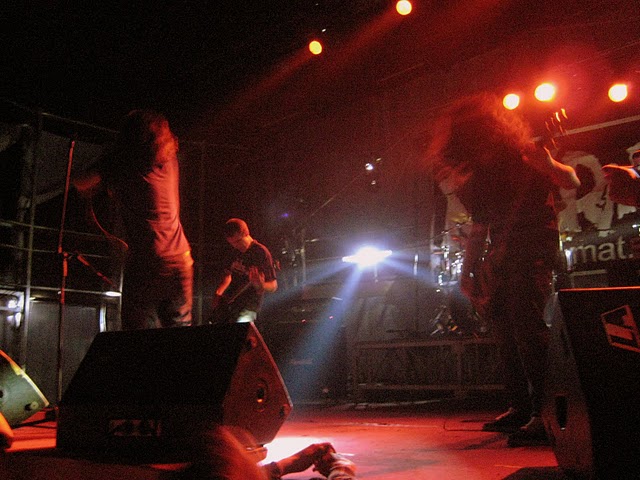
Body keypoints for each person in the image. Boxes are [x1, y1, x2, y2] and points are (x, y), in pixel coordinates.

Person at [428, 92, 580, 446]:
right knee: (504, 328)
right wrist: (468, 271)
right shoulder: (479, 171)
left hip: (533, 247)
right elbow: (480, 225)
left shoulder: (523, 154)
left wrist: (549, 165)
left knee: (527, 327)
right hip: (503, 251)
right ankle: (520, 406)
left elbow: (571, 180)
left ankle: (546, 415)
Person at [73, 109, 193, 330]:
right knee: (180, 334)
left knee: (136, 335)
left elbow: (81, 182)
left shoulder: (123, 163)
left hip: (147, 262)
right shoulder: (169, 159)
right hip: (180, 260)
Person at [210, 218, 277, 324]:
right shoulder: (233, 251)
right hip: (230, 303)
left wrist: (261, 285)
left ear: (246, 233)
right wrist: (218, 292)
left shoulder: (260, 252)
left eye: (238, 241)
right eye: (232, 243)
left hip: (249, 306)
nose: (235, 246)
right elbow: (227, 275)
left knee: (242, 330)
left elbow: (273, 286)